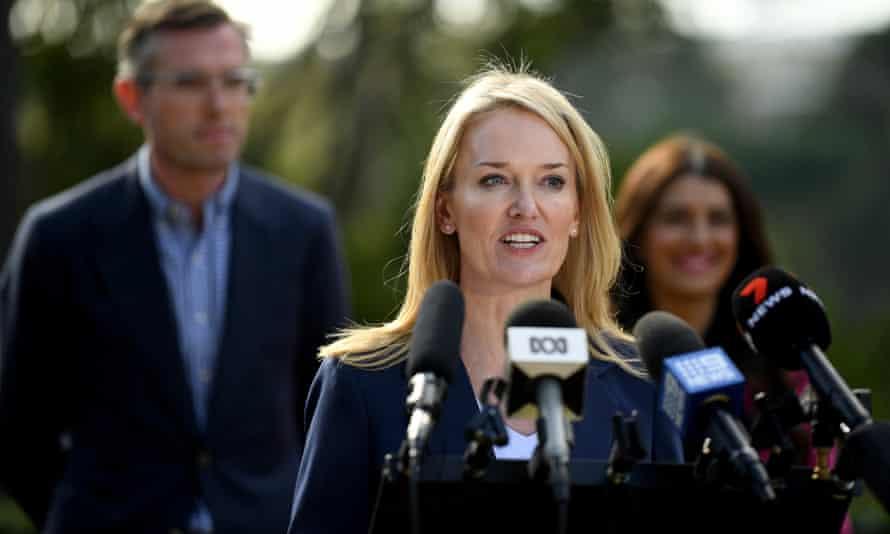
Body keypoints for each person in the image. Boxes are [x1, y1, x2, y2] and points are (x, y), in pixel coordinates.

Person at [286, 65, 683, 534]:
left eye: (552, 181)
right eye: (495, 180)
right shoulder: (359, 385)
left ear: (577, 211)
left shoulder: (641, 385)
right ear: (446, 210)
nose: (526, 206)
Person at [0, 1, 349, 533]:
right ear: (132, 96)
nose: (219, 106)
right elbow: (16, 425)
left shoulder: (303, 230)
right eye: (190, 83)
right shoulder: (58, 236)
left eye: (235, 81)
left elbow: (327, 410)